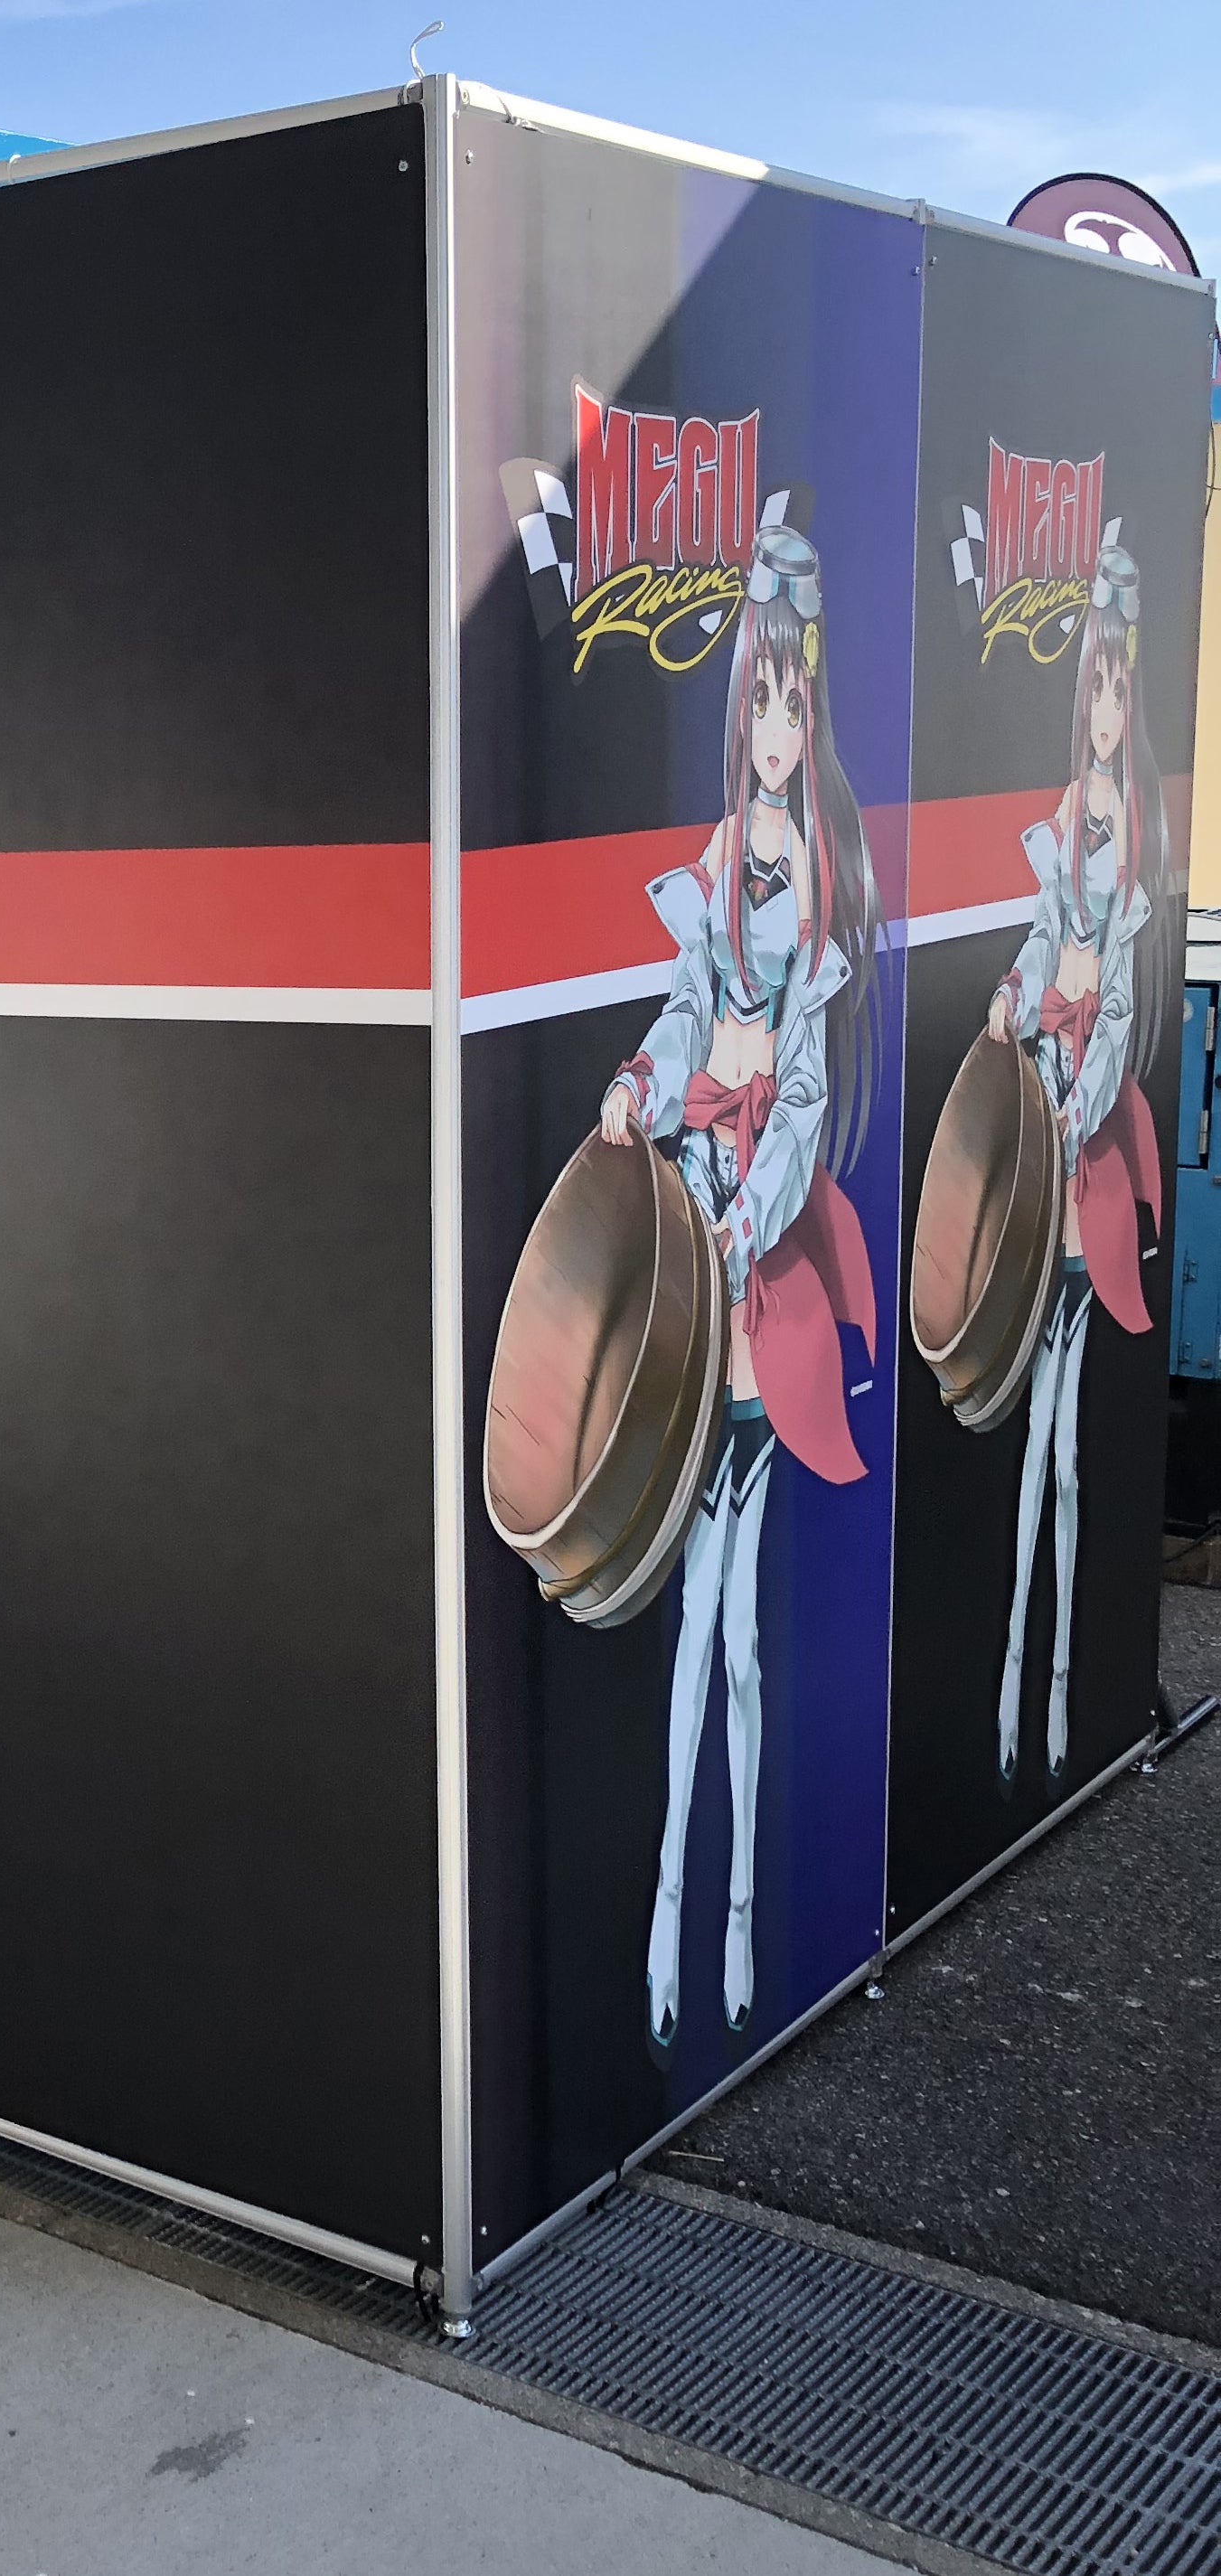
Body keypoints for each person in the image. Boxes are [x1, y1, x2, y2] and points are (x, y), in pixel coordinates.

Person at [595, 524, 879, 2047]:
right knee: (693, 1630)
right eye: (757, 700)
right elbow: (678, 1014)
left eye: (792, 701)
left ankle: (740, 1918)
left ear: (809, 707)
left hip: (756, 1278)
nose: (775, 728)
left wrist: (746, 1215)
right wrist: (641, 1086)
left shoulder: (819, 897)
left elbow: (808, 1102)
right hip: (695, 1242)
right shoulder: (714, 876)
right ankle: (666, 1915)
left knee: (744, 1639)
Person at [983, 543, 1169, 1786]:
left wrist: (1074, 1102)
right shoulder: (1063, 826)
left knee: (1064, 1451)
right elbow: (1041, 943)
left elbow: (1123, 1012)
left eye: (1115, 688)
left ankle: (1057, 1695)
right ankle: (1014, 1682)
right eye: (1089, 687)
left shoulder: (1135, 840)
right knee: (1030, 1445)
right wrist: (1013, 995)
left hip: (1085, 1141)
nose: (1101, 710)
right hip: (1046, 1101)